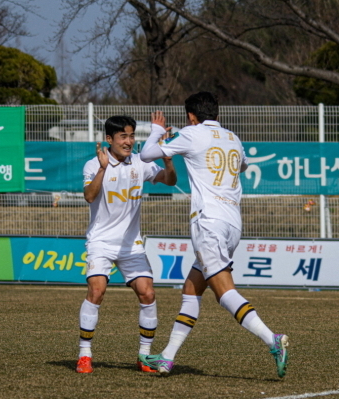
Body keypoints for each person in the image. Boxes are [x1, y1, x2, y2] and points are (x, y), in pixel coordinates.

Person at [138, 92, 289, 378]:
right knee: (191, 290)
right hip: (232, 223)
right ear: (216, 114)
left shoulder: (192, 133)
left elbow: (146, 155)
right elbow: (242, 165)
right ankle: (167, 357)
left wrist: (158, 131)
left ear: (191, 116)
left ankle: (273, 340)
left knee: (224, 292)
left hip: (208, 222)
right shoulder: (233, 137)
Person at [76, 115, 177, 374]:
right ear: (109, 139)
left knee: (148, 294)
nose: (129, 141)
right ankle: (84, 354)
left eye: (132, 136)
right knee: (96, 291)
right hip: (101, 242)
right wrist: (101, 169)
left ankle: (144, 357)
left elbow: (170, 180)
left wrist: (167, 158)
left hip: (132, 245)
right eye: (123, 136)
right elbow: (89, 196)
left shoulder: (140, 163)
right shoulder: (93, 164)